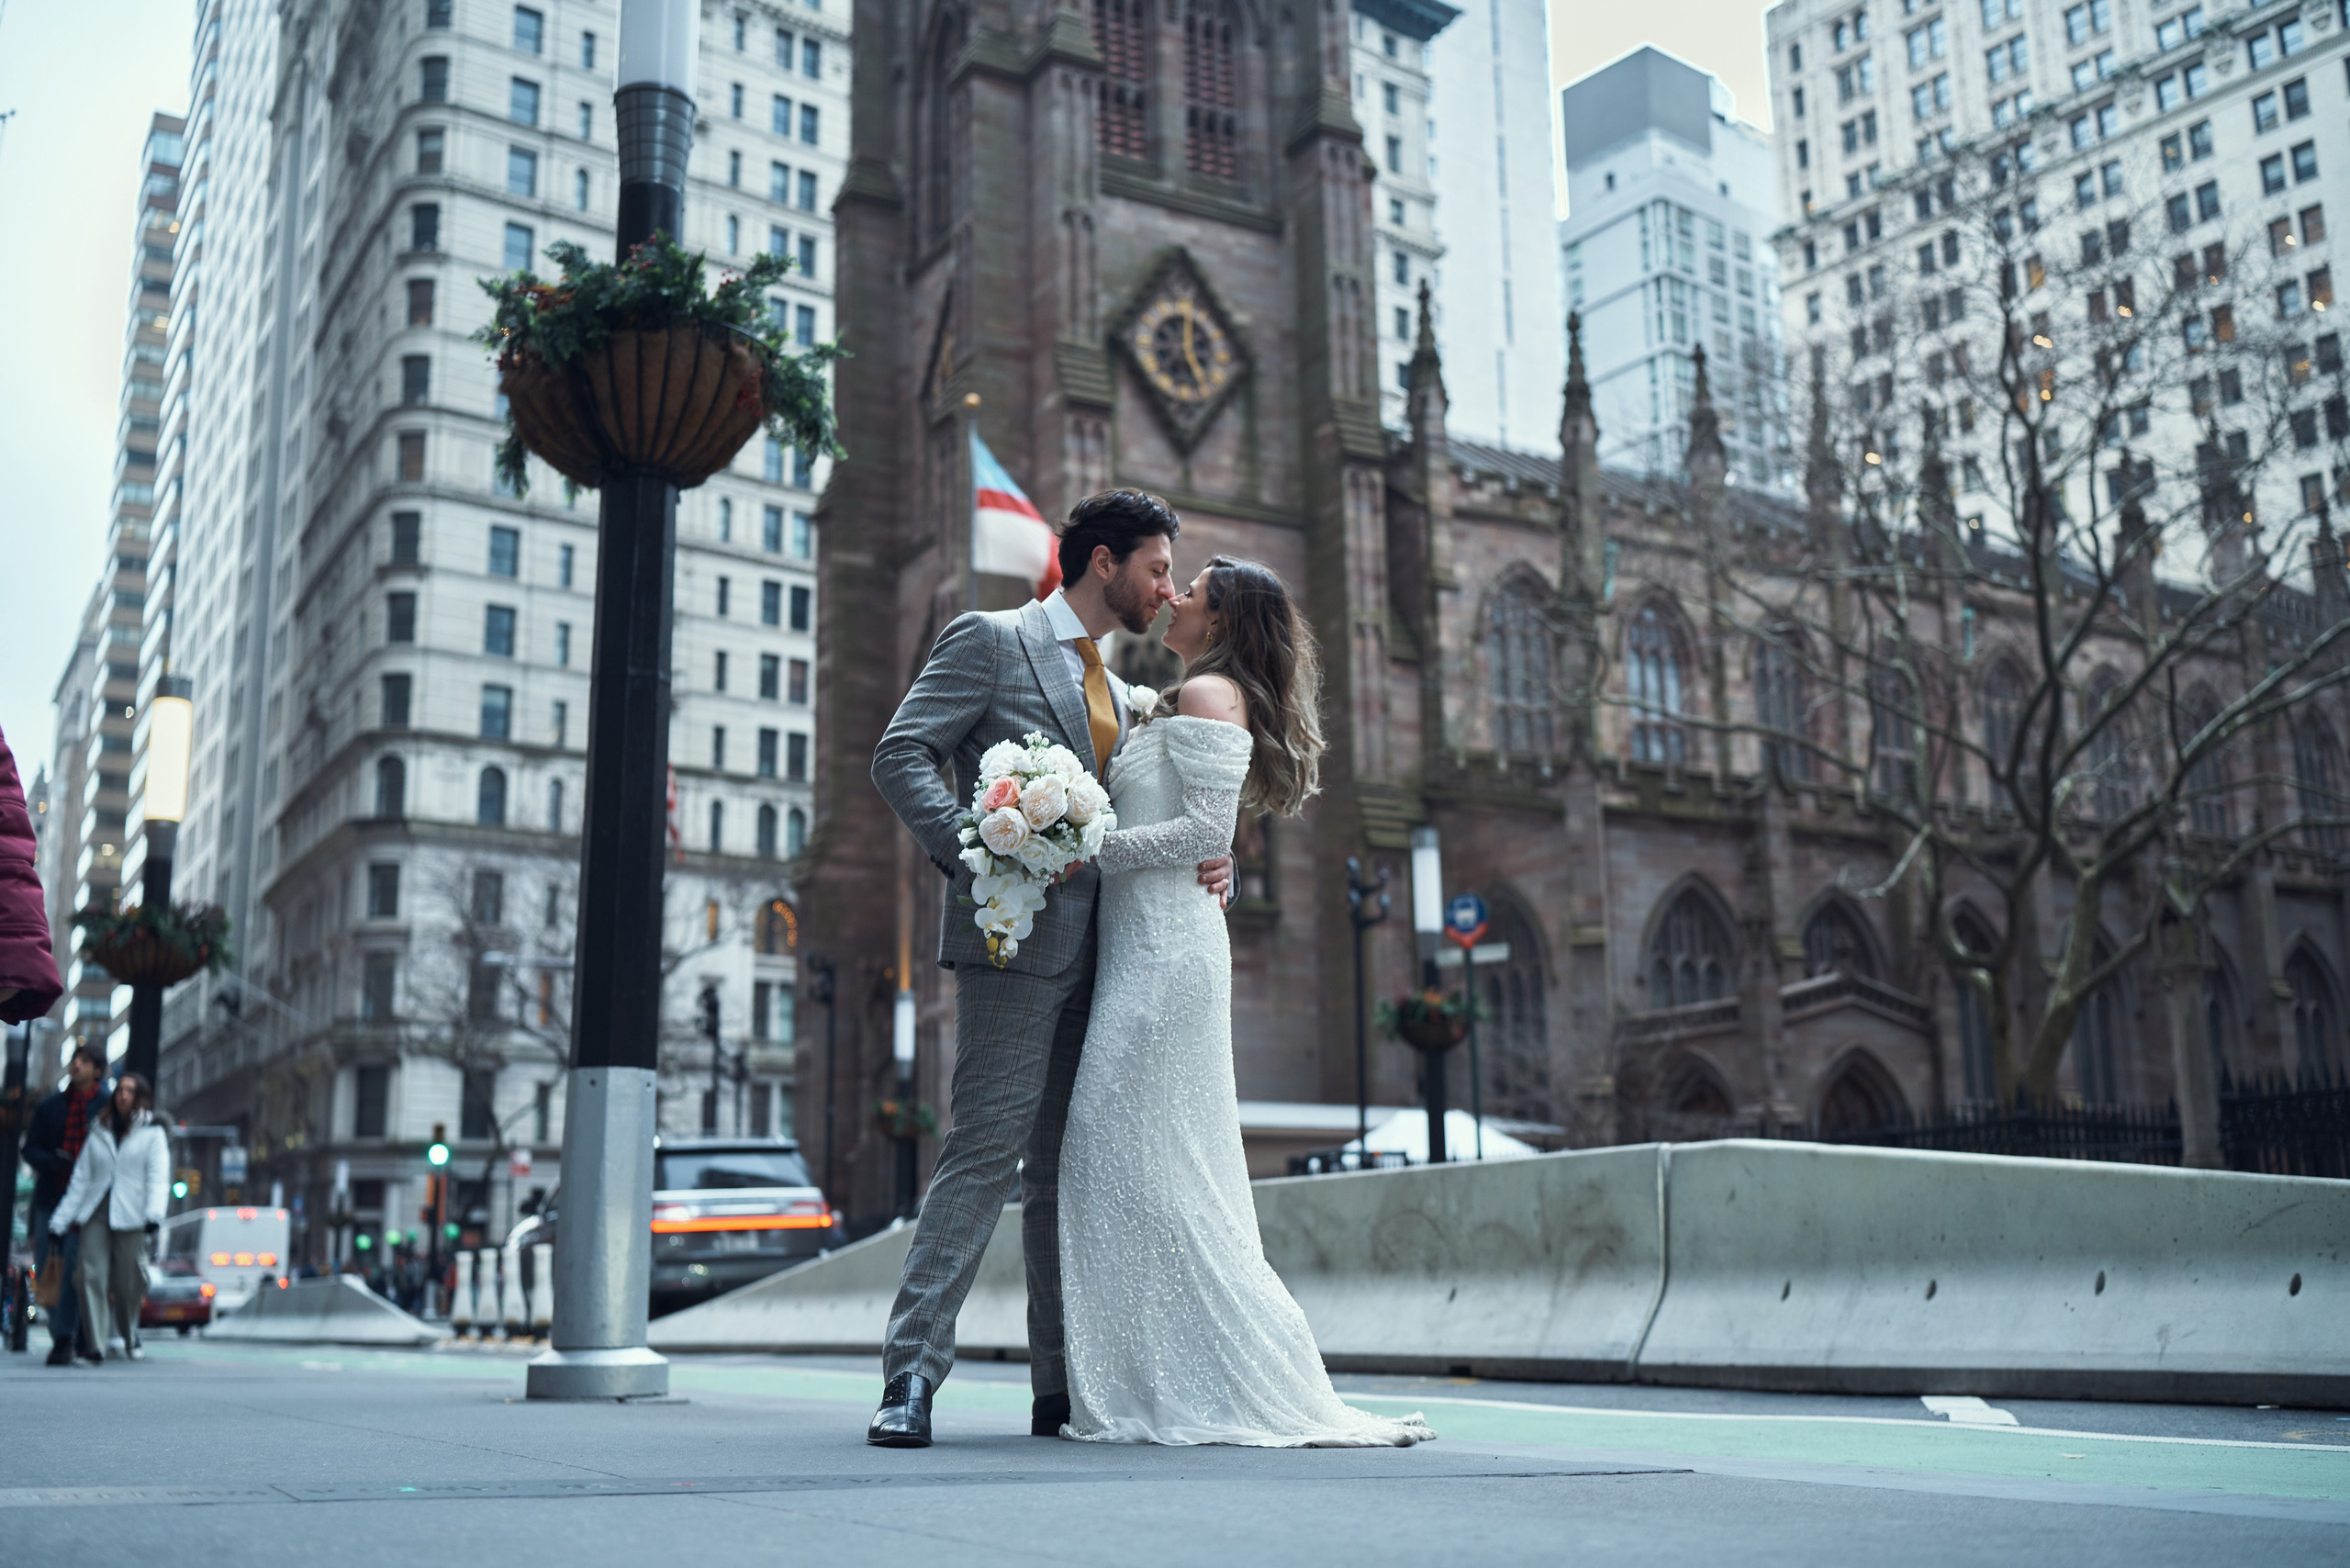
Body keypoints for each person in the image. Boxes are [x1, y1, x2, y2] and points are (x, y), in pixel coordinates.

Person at [865, 489, 1235, 1448]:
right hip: (1011, 941)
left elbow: (1148, 807)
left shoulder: (1120, 686)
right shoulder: (990, 638)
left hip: (1111, 955)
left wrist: (1213, 851)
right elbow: (903, 752)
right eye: (1157, 568)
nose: (1165, 588)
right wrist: (974, 851)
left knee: (1069, 1172)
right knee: (983, 1156)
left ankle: (1060, 1386)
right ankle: (909, 1375)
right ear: (1102, 562)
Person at [1055, 556, 1431, 1446]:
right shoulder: (1181, 693)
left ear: (1219, 621)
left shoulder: (1208, 694)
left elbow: (1201, 834)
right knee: (1148, 1164)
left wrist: (1082, 844)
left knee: (1135, 1158)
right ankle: (1161, 1369)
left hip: (1167, 958)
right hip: (1143, 947)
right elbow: (1199, 831)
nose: (1174, 595)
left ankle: (1206, 1372)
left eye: (1192, 591)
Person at [50, 1070, 171, 1361]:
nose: (123, 1095)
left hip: (133, 1214)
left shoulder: (153, 1134)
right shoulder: (99, 1130)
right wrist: (59, 1221)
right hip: (97, 1211)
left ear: (140, 1097)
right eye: (120, 1090)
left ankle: (129, 1335)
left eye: (130, 1091)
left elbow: (158, 1178)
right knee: (90, 1275)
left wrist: (154, 1214)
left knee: (130, 1281)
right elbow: (81, 1181)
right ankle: (97, 1346)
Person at [20, 1044, 106, 1365]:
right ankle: (63, 1332)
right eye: (74, 1060)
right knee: (45, 1267)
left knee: (75, 1269)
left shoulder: (107, 1107)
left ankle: (66, 1338)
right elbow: (29, 1149)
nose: (76, 1066)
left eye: (84, 1062)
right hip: (50, 1198)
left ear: (97, 1070)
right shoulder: (51, 1106)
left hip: (90, 1205)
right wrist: (50, 1161)